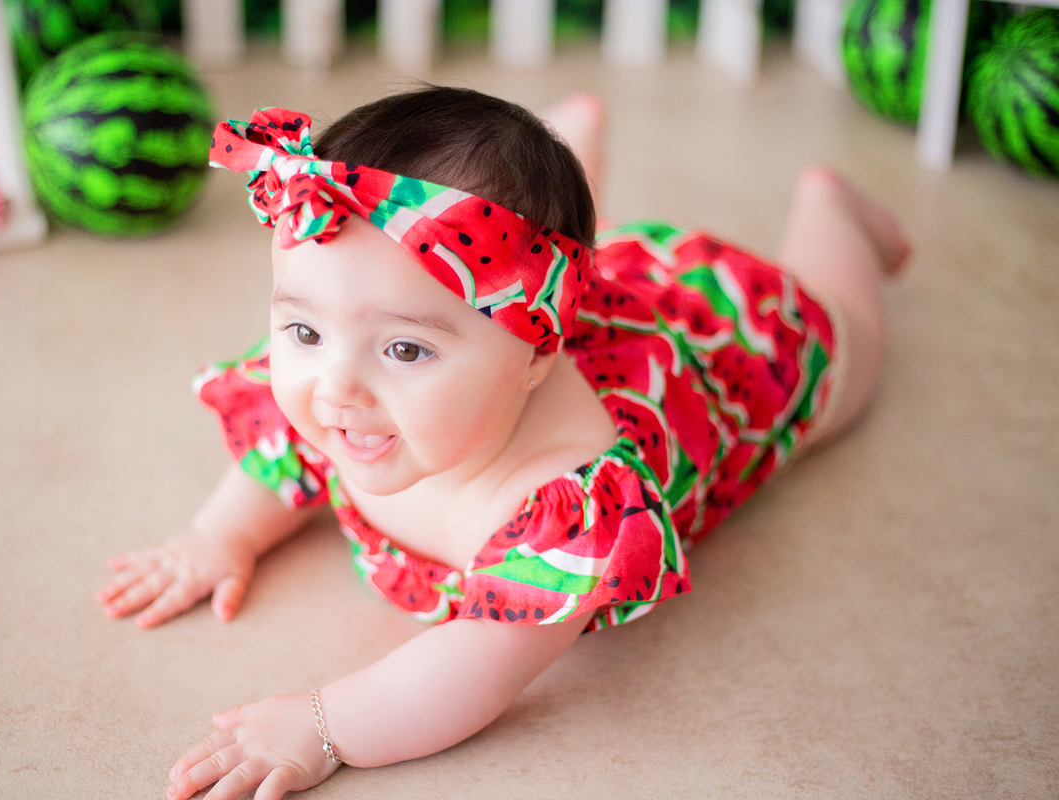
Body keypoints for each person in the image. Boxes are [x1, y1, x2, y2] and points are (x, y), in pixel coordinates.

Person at [96, 87, 910, 800]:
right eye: (302, 328)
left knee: (848, 350)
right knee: (489, 239)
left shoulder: (564, 499)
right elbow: (286, 450)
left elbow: (474, 666)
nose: (333, 388)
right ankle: (567, 146)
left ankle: (831, 210)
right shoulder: (362, 371)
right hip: (568, 282)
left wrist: (323, 726)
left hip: (726, 339)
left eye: (405, 350)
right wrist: (220, 534)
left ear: (536, 357)